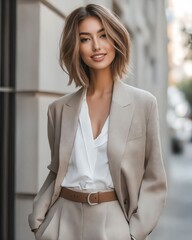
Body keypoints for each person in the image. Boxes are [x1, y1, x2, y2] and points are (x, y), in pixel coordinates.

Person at [28, 4, 167, 240]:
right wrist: (39, 220)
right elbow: (56, 171)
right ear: (76, 47)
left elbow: (154, 178)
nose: (96, 46)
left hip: (113, 223)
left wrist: (135, 232)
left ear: (116, 39)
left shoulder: (144, 104)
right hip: (62, 220)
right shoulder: (59, 109)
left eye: (103, 35)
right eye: (85, 39)